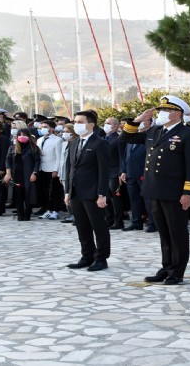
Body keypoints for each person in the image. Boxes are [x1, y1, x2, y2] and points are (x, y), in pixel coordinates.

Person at [120, 96, 190, 285]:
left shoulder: (188, 134)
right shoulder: (155, 131)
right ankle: (166, 267)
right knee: (164, 232)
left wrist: (188, 192)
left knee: (177, 232)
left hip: (175, 192)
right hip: (154, 189)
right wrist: (138, 120)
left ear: (177, 113)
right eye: (160, 110)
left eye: (165, 110)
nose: (160, 113)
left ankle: (177, 271)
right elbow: (125, 138)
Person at [64, 111, 111, 272]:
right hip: (76, 192)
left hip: (93, 193)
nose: (76, 124)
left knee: (99, 227)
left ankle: (101, 258)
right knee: (82, 226)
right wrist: (67, 192)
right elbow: (70, 168)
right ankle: (87, 255)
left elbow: (104, 171)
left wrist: (102, 194)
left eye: (80, 122)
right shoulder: (74, 143)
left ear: (91, 125)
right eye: (75, 121)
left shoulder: (100, 143)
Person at [120, 119, 152, 232]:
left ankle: (152, 222)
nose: (141, 124)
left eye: (144, 122)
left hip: (143, 173)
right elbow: (125, 155)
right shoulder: (131, 138)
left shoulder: (149, 137)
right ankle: (136, 222)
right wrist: (123, 171)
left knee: (148, 200)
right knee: (134, 199)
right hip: (130, 173)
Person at [4, 129, 41, 221]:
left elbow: (37, 161)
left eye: (24, 134)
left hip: (28, 174)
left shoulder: (33, 147)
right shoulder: (13, 147)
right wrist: (8, 173)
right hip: (16, 174)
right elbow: (8, 160)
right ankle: (20, 214)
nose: (21, 136)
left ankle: (27, 214)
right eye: (19, 134)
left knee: (28, 194)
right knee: (18, 194)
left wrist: (34, 173)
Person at [36, 120, 64, 220]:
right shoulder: (39, 140)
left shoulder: (57, 140)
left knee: (54, 191)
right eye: (41, 127)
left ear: (52, 128)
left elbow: (59, 156)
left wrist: (56, 170)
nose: (42, 128)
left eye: (45, 126)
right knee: (44, 191)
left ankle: (55, 210)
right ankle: (47, 209)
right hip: (42, 168)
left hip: (52, 169)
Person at [103, 117, 126, 230]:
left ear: (116, 126)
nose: (106, 125)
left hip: (115, 172)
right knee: (106, 197)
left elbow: (122, 157)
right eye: (105, 123)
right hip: (105, 173)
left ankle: (119, 221)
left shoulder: (118, 139)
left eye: (108, 123)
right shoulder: (104, 138)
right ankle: (109, 219)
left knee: (115, 198)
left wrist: (121, 172)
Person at [59, 124, 77, 224]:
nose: (65, 134)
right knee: (66, 194)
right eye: (64, 131)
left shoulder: (75, 142)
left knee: (71, 194)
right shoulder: (64, 143)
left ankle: (75, 214)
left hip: (71, 173)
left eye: (67, 131)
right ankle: (70, 213)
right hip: (63, 172)